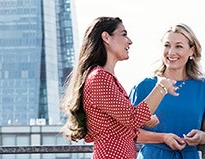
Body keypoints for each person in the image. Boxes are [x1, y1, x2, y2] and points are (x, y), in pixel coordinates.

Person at [61, 17, 179, 159]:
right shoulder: (99, 78)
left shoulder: (105, 77)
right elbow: (132, 118)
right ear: (106, 37)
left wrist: (144, 120)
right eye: (123, 34)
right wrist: (162, 86)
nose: (129, 41)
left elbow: (125, 123)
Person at [130, 24, 205, 159]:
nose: (171, 52)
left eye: (179, 46)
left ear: (191, 50)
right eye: (167, 45)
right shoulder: (144, 86)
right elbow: (129, 132)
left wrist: (201, 137)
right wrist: (163, 138)